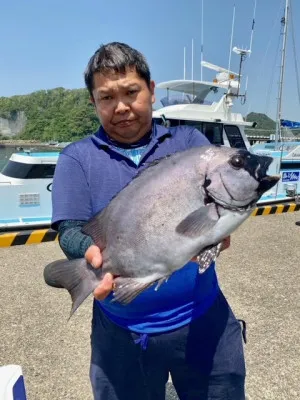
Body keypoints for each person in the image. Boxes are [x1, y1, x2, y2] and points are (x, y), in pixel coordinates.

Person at [51, 42, 246, 400]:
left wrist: (216, 237)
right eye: (107, 97)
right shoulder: (76, 159)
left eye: (131, 92)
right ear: (93, 102)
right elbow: (69, 231)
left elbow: (213, 215)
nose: (121, 106)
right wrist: (91, 253)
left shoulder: (190, 144)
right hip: (121, 331)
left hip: (205, 320)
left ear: (151, 91)